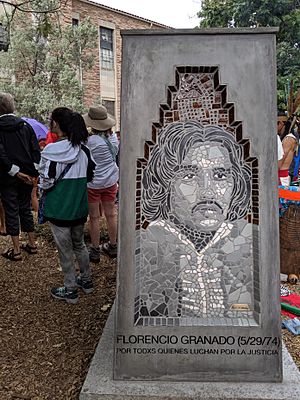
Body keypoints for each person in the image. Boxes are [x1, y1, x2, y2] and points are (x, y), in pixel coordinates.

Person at [134, 121, 256, 325]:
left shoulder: (248, 239)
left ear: (235, 184)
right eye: (189, 176)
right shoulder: (147, 243)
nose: (207, 191)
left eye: (220, 175)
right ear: (166, 184)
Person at [38, 107, 95, 304]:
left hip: (59, 209)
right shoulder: (84, 150)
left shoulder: (51, 151)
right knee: (79, 245)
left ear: (56, 124)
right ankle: (86, 281)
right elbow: (90, 176)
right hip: (79, 208)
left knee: (65, 250)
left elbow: (45, 181)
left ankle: (70, 289)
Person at [0, 92, 40, 261]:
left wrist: (14, 171)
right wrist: (33, 173)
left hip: (7, 176)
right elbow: (35, 150)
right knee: (25, 208)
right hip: (27, 176)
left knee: (11, 210)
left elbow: (0, 153)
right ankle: (32, 244)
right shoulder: (25, 126)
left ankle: (16, 250)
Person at [83, 105, 119, 261]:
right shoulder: (113, 138)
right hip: (110, 181)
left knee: (94, 217)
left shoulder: (90, 141)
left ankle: (95, 249)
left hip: (93, 183)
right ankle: (113, 245)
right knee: (111, 214)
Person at [278, 115, 298, 186]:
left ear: (281, 123)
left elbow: (281, 159)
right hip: (281, 176)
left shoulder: (289, 139)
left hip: (281, 177)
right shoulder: (288, 138)